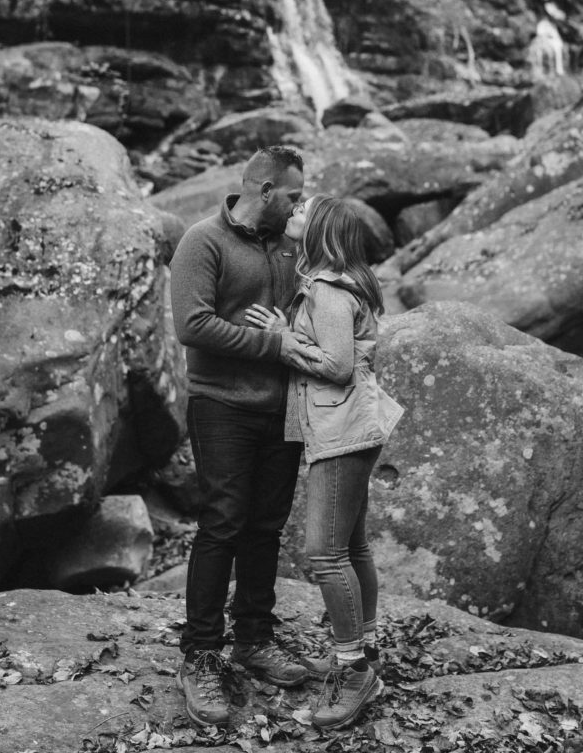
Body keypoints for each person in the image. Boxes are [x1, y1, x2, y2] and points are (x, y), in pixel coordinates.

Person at [169, 146, 321, 729]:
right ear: (262, 189)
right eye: (292, 194)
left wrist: (291, 333)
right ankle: (200, 654)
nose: (299, 202)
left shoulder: (290, 246)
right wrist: (274, 345)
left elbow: (303, 316)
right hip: (222, 408)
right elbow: (193, 324)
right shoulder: (202, 241)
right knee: (222, 524)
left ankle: (254, 640)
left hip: (281, 409)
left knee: (265, 526)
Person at [245, 194, 403, 731]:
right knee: (352, 546)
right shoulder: (331, 285)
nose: (292, 212)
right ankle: (367, 649)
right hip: (353, 426)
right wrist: (290, 327)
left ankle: (353, 669)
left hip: (340, 431)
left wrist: (281, 339)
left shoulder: (330, 294)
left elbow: (335, 366)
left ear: (320, 232)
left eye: (301, 211)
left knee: (324, 554)